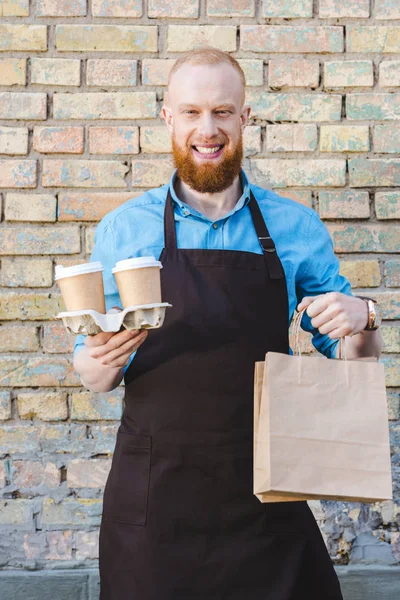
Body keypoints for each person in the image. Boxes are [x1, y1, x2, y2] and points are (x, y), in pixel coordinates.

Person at [73, 48, 382, 600]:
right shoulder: (125, 229)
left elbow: (353, 365)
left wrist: (365, 317)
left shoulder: (295, 226)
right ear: (167, 116)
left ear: (245, 118)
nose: (207, 128)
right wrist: (93, 364)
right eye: (191, 112)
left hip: (265, 491)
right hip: (154, 498)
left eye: (222, 111)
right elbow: (94, 370)